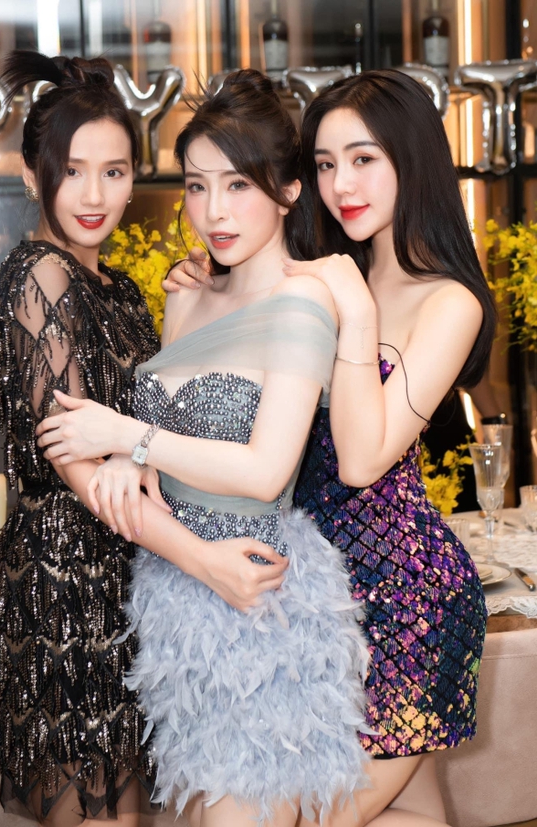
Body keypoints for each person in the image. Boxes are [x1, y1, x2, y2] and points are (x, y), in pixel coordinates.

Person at [37, 70, 371, 827]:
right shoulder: (186, 293)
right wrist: (131, 458)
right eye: (196, 186)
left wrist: (126, 437)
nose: (213, 211)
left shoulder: (302, 299)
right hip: (170, 594)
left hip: (257, 597)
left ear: (288, 191)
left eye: (238, 186)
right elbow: (172, 439)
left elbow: (266, 469)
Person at [162, 71, 497, 827]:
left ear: (412, 159)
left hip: (406, 601)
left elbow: (361, 459)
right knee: (408, 814)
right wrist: (210, 287)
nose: (340, 183)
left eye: (363, 159)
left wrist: (356, 312)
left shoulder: (449, 302)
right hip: (310, 598)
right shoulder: (318, 270)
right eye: (323, 163)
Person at [0, 53, 282, 827]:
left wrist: (204, 298)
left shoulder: (117, 289)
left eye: (114, 171)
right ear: (31, 176)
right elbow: (83, 469)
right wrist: (208, 562)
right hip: (65, 594)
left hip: (128, 588)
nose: (95, 195)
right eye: (73, 171)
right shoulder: (38, 276)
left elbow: (151, 426)